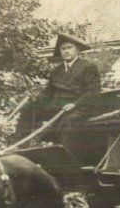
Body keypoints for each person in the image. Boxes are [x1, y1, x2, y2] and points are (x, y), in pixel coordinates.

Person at [16, 33, 102, 161]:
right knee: (29, 108)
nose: (66, 51)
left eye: (69, 48)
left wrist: (75, 104)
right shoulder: (57, 70)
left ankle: (66, 157)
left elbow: (92, 92)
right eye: (63, 49)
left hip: (79, 108)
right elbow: (48, 92)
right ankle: (22, 146)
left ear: (77, 50)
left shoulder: (88, 66)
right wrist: (37, 101)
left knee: (70, 120)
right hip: (57, 106)